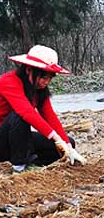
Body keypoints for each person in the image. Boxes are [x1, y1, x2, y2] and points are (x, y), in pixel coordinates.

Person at [0, 45, 86, 173]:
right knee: (19, 117)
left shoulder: (39, 90)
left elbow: (50, 116)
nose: (46, 82)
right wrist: (56, 138)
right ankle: (19, 166)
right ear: (29, 70)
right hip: (2, 140)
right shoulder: (9, 81)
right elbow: (26, 112)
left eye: (50, 78)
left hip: (16, 142)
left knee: (64, 145)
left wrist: (67, 146)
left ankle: (32, 164)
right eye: (44, 77)